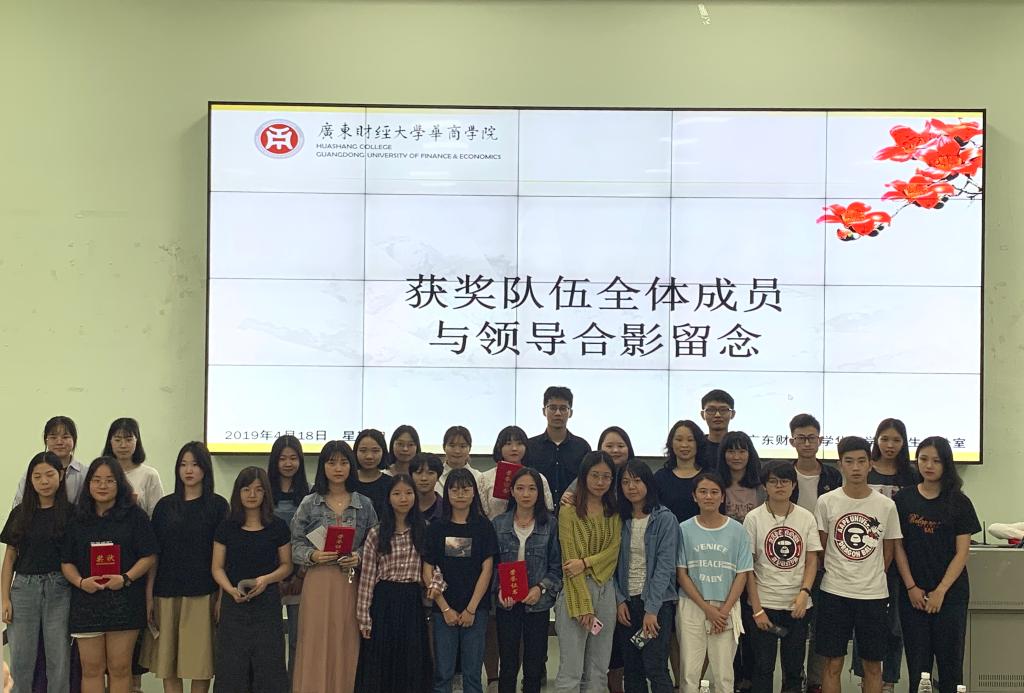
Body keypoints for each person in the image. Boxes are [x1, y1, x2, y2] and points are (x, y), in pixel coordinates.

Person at [60, 457, 158, 693]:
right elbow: (66, 562)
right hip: (86, 601)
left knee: (120, 668)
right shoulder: (77, 518)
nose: (102, 485)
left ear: (119, 483)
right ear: (88, 484)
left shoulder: (135, 516)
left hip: (124, 601)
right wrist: (81, 582)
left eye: (109, 480)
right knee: (91, 669)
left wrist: (125, 578)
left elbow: (149, 556)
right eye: (96, 480)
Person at [813, 436, 902, 693]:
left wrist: (869, 575)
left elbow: (888, 551)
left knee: (873, 666)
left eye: (861, 461)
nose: (855, 467)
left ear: (870, 464)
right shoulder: (826, 501)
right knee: (832, 664)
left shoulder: (886, 505)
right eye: (849, 461)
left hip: (873, 594)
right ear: (840, 464)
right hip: (834, 592)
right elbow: (821, 547)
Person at [290, 440, 378, 693]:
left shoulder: (365, 504)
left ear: (351, 466)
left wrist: (358, 557)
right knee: (314, 640)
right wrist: (313, 556)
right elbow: (294, 545)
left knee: (346, 640)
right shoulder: (309, 503)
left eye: (343, 462)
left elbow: (376, 545)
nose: (338, 468)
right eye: (331, 462)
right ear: (323, 466)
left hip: (350, 582)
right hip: (317, 581)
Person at [140, 442, 228, 693]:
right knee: (168, 662)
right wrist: (149, 595)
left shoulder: (218, 506)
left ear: (205, 469)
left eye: (195, 464)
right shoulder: (164, 506)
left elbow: (224, 558)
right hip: (166, 592)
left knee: (201, 662)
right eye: (183, 464)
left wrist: (221, 597)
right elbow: (154, 556)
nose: (188, 470)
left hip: (204, 593)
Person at [894, 437, 980, 693]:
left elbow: (962, 552)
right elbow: (898, 547)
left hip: (950, 595)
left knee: (950, 666)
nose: (929, 465)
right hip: (913, 595)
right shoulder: (903, 499)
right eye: (923, 459)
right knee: (918, 668)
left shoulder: (959, 502)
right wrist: (911, 587)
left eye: (936, 460)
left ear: (946, 464)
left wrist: (941, 591)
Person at [742, 461, 821, 693]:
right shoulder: (753, 518)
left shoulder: (806, 517)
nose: (779, 486)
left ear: (793, 485)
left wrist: (804, 593)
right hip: (763, 604)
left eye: (785, 481)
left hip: (797, 604)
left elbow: (812, 560)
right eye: (773, 481)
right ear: (764, 486)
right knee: (762, 668)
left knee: (794, 669)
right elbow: (747, 567)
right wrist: (757, 608)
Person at [211, 467, 292, 693]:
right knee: (232, 669)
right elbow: (217, 567)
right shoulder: (226, 526)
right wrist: (229, 589)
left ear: (266, 493)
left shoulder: (278, 526)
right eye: (246, 489)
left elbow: (287, 565)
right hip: (233, 604)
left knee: (269, 668)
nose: (252, 495)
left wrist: (266, 579)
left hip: (267, 604)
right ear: (238, 492)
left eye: (258, 489)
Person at [852, 418, 918, 691]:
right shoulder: (866, 470)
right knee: (864, 622)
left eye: (896, 440)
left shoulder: (911, 476)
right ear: (876, 440)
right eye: (885, 439)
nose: (890, 445)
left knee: (894, 624)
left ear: (904, 443)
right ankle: (865, 678)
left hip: (901, 558)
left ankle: (888, 679)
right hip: (864, 556)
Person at [2, 452, 73, 693]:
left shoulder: (71, 513)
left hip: (60, 588)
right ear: (30, 480)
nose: (44, 481)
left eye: (49, 475)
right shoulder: (20, 513)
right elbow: (9, 557)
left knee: (59, 659)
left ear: (60, 475)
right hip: (24, 589)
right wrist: (4, 599)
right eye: (37, 476)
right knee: (21, 659)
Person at [675, 472, 752, 693]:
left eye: (714, 492)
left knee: (724, 675)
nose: (708, 496)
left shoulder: (738, 530)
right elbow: (682, 574)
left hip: (726, 607)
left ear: (722, 497)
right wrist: (707, 609)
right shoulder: (683, 529)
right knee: (689, 673)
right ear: (694, 496)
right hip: (692, 605)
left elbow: (742, 574)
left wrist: (723, 611)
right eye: (703, 491)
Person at [423, 468, 498, 693]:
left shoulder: (484, 526)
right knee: (443, 673)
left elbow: (487, 569)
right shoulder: (437, 527)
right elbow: (427, 569)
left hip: (476, 610)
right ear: (446, 493)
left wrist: (471, 609)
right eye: (454, 490)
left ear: (474, 492)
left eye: (465, 489)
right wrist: (445, 608)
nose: (460, 494)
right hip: (443, 610)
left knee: (472, 674)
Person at [356, 474, 433, 692]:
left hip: (412, 600)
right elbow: (367, 577)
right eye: (397, 493)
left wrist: (436, 586)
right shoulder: (376, 532)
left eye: (408, 493)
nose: (403, 498)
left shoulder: (425, 529)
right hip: (384, 600)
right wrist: (363, 616)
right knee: (382, 658)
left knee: (411, 658)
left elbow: (433, 566)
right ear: (388, 498)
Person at [554, 451, 622, 693]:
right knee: (571, 670)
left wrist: (585, 562)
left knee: (598, 669)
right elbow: (569, 561)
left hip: (606, 591)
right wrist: (583, 604)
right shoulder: (569, 510)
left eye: (606, 476)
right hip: (575, 592)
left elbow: (613, 551)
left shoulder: (613, 511)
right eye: (595, 475)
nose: (600, 482)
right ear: (583, 476)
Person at [492, 467, 562, 693]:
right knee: (508, 664)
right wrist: (499, 589)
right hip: (507, 603)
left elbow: (556, 567)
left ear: (539, 493)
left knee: (534, 666)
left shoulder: (550, 524)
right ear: (511, 491)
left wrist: (541, 588)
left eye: (532, 489)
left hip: (537, 603)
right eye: (520, 488)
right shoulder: (498, 524)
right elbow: (490, 566)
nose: (526, 494)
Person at [613, 460, 678, 693]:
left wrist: (651, 609)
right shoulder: (618, 519)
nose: (631, 487)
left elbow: (665, 567)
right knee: (632, 668)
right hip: (626, 603)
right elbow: (610, 565)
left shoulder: (665, 518)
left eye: (637, 480)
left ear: (648, 483)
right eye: (625, 482)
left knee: (655, 666)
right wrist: (619, 600)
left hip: (656, 603)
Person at [786, 413, 840, 693]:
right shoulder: (782, 474)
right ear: (792, 441)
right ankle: (792, 679)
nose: (806, 443)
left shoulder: (832, 475)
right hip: (787, 559)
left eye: (812, 438)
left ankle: (816, 681)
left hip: (825, 559)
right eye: (801, 438)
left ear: (820, 440)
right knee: (794, 624)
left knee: (821, 624)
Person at [266, 434, 310, 679]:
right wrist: (276, 577)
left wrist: (300, 574)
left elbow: (314, 537)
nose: (288, 463)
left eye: (293, 458)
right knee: (269, 643)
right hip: (268, 577)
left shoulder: (310, 494)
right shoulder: (263, 492)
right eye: (282, 458)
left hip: (302, 577)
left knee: (297, 640)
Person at [527, 386, 592, 505]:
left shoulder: (582, 447)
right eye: (552, 408)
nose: (557, 413)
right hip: (538, 512)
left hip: (572, 511)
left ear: (570, 412)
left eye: (563, 408)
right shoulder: (530, 446)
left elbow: (587, 482)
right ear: (544, 411)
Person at [480, 426, 553, 519]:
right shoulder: (485, 478)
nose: (514, 448)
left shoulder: (538, 478)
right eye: (508, 444)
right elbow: (480, 513)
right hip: (493, 527)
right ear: (499, 447)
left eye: (519, 444)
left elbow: (547, 509)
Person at [12, 415, 86, 505]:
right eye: (53, 438)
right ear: (46, 440)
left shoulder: (84, 473)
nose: (59, 442)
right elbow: (19, 503)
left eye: (65, 437)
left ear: (74, 440)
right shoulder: (33, 471)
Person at [102, 418, 164, 517]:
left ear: (137, 441)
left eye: (129, 440)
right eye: (117, 440)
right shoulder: (101, 472)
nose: (123, 445)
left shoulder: (150, 475)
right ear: (110, 442)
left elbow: (157, 514)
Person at [654, 420, 706, 524]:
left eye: (690, 440)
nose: (684, 445)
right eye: (679, 439)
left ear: (698, 443)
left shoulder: (709, 476)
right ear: (671, 443)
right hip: (668, 532)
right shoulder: (660, 477)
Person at [716, 431, 766, 524]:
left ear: (750, 454)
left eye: (742, 451)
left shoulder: (762, 487)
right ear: (723, 454)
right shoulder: (715, 485)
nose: (736, 457)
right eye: (731, 451)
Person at [351, 429, 394, 517]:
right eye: (363, 450)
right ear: (355, 452)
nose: (369, 456)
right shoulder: (347, 481)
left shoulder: (391, 483)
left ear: (383, 452)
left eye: (375, 451)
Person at [699, 390, 735, 470]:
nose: (717, 415)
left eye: (723, 410)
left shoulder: (740, 446)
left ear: (732, 414)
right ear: (702, 414)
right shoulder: (697, 447)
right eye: (711, 410)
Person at [439, 425, 484, 490]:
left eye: (462, 446)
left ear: (469, 448)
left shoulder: (479, 477)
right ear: (444, 447)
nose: (457, 451)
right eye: (452, 446)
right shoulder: (435, 476)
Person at [412, 453, 445, 523]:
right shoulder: (403, 507)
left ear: (438, 477)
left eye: (430, 473)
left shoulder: (447, 509)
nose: (424, 478)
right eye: (418, 473)